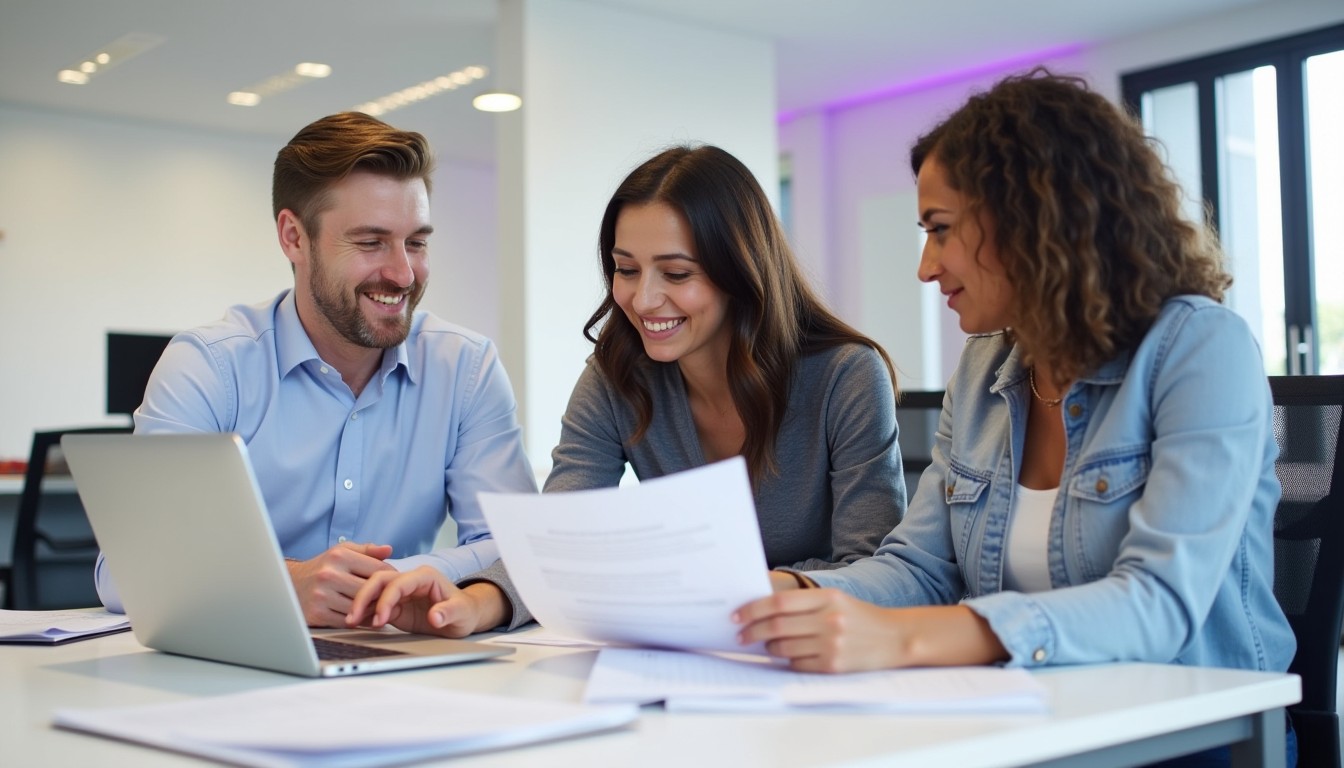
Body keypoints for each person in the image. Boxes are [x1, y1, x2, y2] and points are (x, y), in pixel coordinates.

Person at [733, 69, 1296, 765]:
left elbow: (1159, 602)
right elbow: (919, 567)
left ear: (1032, 220)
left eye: (940, 231)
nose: (926, 267)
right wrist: (783, 593)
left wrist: (906, 639)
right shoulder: (984, 368)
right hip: (1037, 722)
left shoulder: (1201, 348)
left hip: (1193, 733)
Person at [344, 144, 906, 637]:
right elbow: (560, 536)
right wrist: (468, 603)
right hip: (693, 654)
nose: (642, 300)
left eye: (677, 274)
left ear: (741, 271)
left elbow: (881, 571)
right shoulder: (618, 375)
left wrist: (749, 590)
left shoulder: (846, 377)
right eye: (626, 269)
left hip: (819, 655)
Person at [94, 112, 537, 628]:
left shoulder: (466, 368)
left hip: (400, 661)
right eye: (371, 243)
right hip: (236, 670)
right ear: (293, 238)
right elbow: (123, 571)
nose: (402, 273)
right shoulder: (210, 366)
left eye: (416, 242)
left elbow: (517, 549)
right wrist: (286, 582)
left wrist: (394, 579)